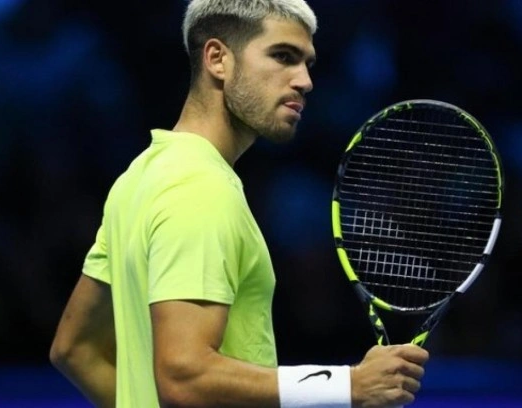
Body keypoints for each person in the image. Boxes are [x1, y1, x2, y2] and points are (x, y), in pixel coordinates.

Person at [49, 0, 430, 407]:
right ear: (217, 59)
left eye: (307, 64)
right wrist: (346, 385)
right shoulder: (199, 189)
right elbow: (183, 375)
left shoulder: (141, 177)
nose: (304, 81)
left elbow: (75, 349)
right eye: (282, 56)